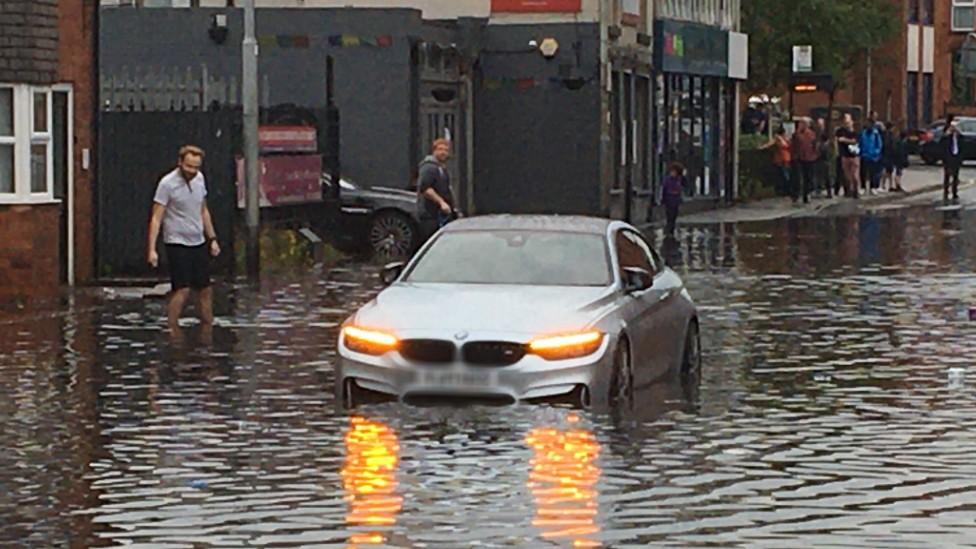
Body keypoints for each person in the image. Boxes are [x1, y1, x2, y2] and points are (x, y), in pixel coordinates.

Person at [147, 145, 221, 337]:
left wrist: (212, 238)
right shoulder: (167, 184)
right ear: (180, 162)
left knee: (205, 288)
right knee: (182, 288)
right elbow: (156, 217)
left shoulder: (200, 180)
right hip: (176, 241)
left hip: (197, 240)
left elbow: (203, 210)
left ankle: (208, 326)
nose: (192, 171)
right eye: (188, 166)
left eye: (196, 167)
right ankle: (172, 328)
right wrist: (152, 249)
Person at [417, 138, 456, 239]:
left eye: (446, 150)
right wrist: (441, 203)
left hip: (441, 214)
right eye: (440, 149)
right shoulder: (428, 167)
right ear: (434, 151)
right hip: (430, 215)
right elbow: (425, 189)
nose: (443, 152)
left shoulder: (442, 168)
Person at [791, 118, 818, 204]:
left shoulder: (811, 134)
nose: (801, 125)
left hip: (809, 158)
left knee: (808, 177)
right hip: (798, 158)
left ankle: (807, 194)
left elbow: (815, 145)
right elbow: (793, 144)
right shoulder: (796, 134)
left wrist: (815, 154)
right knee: (798, 177)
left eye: (803, 123)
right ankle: (796, 195)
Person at [761, 126, 792, 196]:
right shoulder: (786, 139)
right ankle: (789, 189)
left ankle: (785, 189)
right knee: (787, 174)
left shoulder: (777, 139)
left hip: (780, 159)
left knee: (783, 175)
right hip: (787, 158)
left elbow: (769, 144)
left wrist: (762, 147)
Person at [835, 113, 861, 198]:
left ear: (852, 122)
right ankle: (849, 190)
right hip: (844, 155)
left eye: (848, 121)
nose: (847, 122)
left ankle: (856, 191)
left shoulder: (855, 132)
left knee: (855, 175)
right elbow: (837, 140)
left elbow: (855, 141)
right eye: (845, 120)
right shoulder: (840, 131)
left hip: (854, 155)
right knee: (847, 176)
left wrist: (844, 140)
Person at [859, 115, 884, 195]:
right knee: (863, 173)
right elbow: (860, 143)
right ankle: (863, 187)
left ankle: (872, 187)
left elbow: (879, 144)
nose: (868, 125)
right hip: (864, 156)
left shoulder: (876, 134)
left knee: (873, 173)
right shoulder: (863, 133)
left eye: (870, 124)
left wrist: (876, 153)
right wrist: (860, 152)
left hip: (873, 157)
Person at [661, 162, 686, 237]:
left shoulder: (679, 179)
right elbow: (664, 189)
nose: (672, 173)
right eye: (672, 171)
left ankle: (671, 229)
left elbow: (683, 186)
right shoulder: (668, 180)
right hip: (669, 199)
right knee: (669, 215)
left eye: (674, 171)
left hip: (676, 200)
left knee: (674, 215)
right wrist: (663, 199)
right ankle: (669, 230)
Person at [941, 118, 963, 203]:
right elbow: (942, 144)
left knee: (955, 176)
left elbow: (962, 145)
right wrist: (947, 134)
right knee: (947, 176)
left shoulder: (958, 137)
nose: (954, 129)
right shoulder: (946, 137)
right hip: (948, 158)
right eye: (952, 127)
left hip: (956, 158)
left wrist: (958, 132)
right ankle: (946, 192)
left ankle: (955, 192)